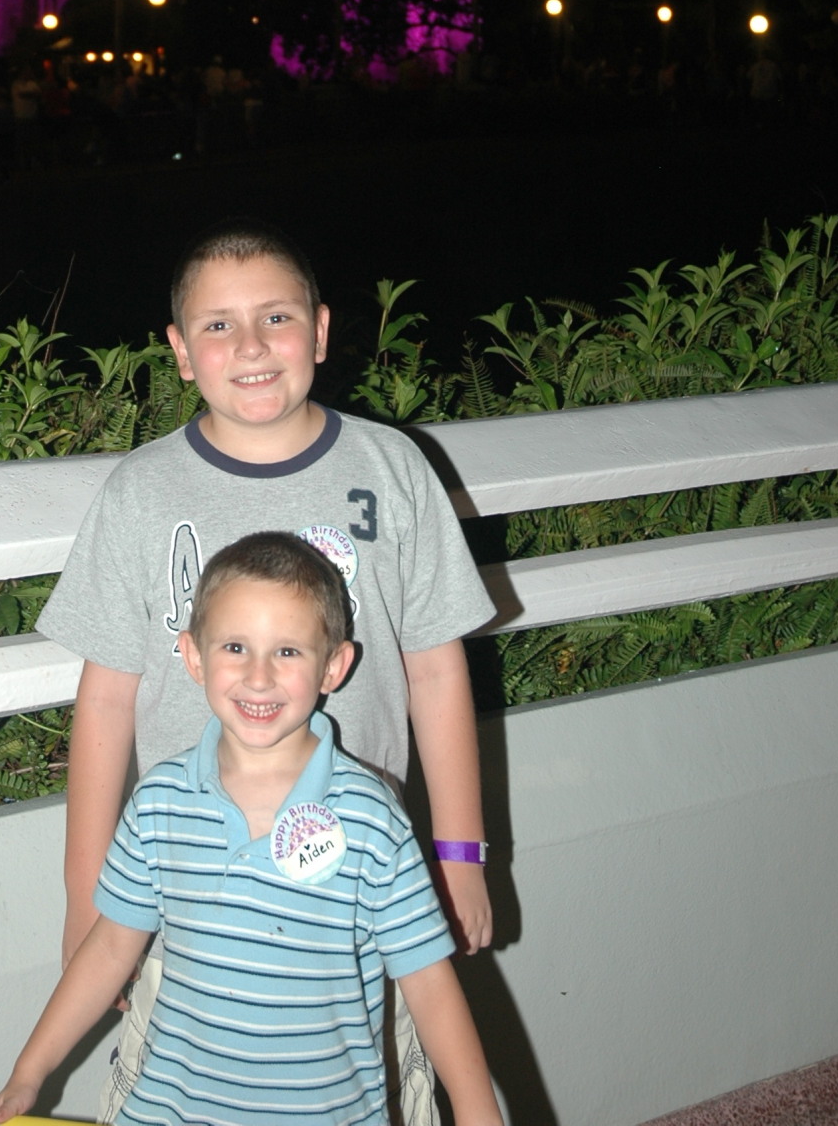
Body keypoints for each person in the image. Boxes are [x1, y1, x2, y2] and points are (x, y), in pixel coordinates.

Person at [36, 219, 495, 1124]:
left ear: (320, 333)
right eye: (216, 325)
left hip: (355, 887)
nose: (249, 346)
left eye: (275, 318)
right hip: (184, 884)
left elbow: (438, 674)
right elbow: (105, 700)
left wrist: (460, 853)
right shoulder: (139, 492)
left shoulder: (391, 468)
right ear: (178, 352)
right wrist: (85, 895)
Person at [0, 534, 502, 1126]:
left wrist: (477, 1108)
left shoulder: (370, 817)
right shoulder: (160, 802)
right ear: (193, 656)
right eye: (236, 647)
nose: (259, 677)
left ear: (333, 666)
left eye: (287, 652)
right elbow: (107, 949)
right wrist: (29, 1072)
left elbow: (429, 983)